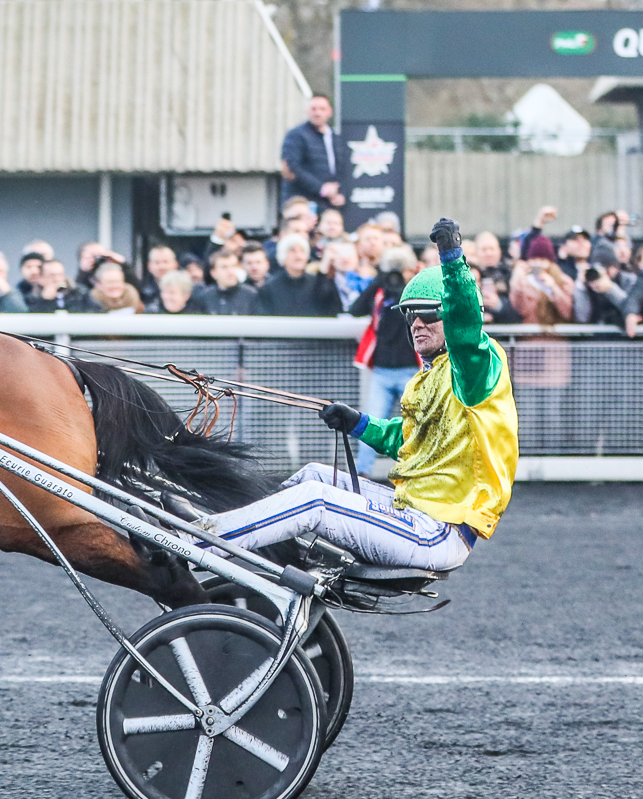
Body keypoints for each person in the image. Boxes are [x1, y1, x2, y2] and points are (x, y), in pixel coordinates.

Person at [197, 218, 518, 570]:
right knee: (315, 475)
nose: (417, 324)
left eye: (428, 313)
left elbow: (466, 327)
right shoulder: (426, 378)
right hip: (412, 511)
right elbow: (411, 441)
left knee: (316, 499)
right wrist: (359, 424)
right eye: (410, 315)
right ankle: (233, 528)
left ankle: (195, 545)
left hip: (439, 530)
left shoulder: (477, 365)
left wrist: (453, 259)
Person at [349, 245, 420, 478]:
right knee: (372, 423)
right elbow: (355, 309)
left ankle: (417, 469)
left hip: (411, 370)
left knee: (416, 422)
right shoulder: (380, 293)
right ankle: (362, 472)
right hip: (381, 371)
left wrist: (403, 288)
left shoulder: (417, 292)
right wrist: (379, 281)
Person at [280, 94, 345, 208]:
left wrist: (339, 192)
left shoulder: (335, 137)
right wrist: (322, 188)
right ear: (307, 111)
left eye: (322, 109)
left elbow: (342, 170)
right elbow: (292, 168)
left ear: (330, 112)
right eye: (313, 109)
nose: (317, 113)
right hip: (302, 202)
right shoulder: (296, 135)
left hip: (328, 204)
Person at [257, 234, 343, 317]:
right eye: (292, 251)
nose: (298, 256)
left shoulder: (318, 284)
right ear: (282, 256)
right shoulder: (269, 288)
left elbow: (333, 311)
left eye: (302, 251)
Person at [510, 235, 573, 324]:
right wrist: (516, 280)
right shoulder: (523, 282)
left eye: (542, 260)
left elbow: (568, 313)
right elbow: (518, 310)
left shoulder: (564, 281)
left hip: (558, 335)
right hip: (529, 335)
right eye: (534, 259)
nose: (538, 264)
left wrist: (554, 289)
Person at [191, 251, 259, 314]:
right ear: (213, 273)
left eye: (233, 266)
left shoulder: (251, 295)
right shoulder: (204, 297)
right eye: (224, 267)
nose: (230, 271)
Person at [27, 259, 101, 312]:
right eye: (52, 275)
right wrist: (45, 301)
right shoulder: (32, 298)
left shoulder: (79, 293)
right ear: (41, 279)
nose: (57, 279)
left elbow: (95, 311)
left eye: (60, 275)